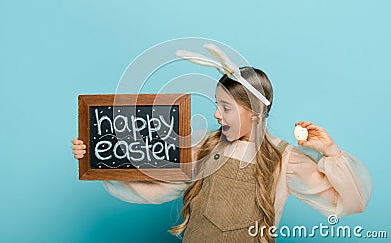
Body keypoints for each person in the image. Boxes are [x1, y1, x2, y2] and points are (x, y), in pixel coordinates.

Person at [71, 45, 372, 243]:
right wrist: (101, 158)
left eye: (226, 107)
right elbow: (154, 186)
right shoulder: (203, 148)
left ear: (254, 113)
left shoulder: (284, 161)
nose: (216, 114)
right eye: (217, 104)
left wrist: (331, 154)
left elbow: (347, 202)